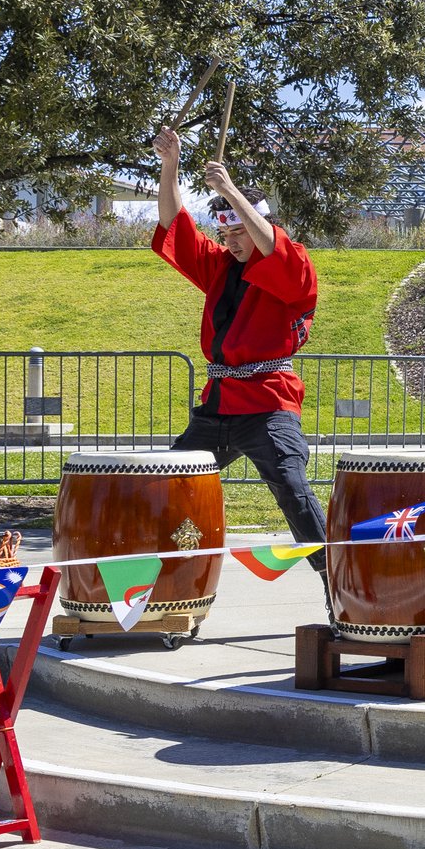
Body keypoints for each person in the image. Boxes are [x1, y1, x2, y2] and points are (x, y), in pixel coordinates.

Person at [152, 125, 324, 566]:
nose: (229, 242)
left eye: (238, 234)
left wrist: (229, 188)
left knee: (293, 490)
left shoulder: (294, 265)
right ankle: (166, 583)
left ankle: (339, 583)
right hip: (219, 405)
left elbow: (271, 244)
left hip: (269, 402)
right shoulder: (220, 266)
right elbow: (175, 226)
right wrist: (169, 166)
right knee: (169, 484)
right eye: (225, 235)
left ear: (260, 225)